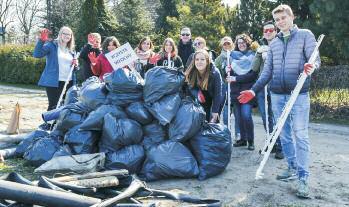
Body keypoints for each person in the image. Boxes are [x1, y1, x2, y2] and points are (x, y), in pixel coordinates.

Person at [238, 4, 320, 198]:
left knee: (300, 134)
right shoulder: (273, 43)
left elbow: (315, 59)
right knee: (284, 135)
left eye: (283, 18)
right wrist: (253, 90)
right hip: (277, 95)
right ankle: (291, 167)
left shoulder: (305, 35)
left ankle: (303, 177)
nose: (280, 22)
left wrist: (312, 67)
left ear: (291, 17)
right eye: (277, 20)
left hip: (298, 94)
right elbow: (267, 72)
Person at [251, 21, 284, 159]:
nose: (268, 32)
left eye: (271, 30)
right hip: (262, 87)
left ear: (276, 31)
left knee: (277, 116)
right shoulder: (261, 47)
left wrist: (271, 54)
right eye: (266, 31)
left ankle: (281, 146)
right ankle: (271, 143)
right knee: (266, 118)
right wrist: (259, 54)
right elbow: (254, 69)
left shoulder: (282, 44)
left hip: (277, 86)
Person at [33, 26, 78, 111]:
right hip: (54, 82)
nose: (67, 36)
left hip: (69, 82)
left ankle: (61, 124)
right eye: (64, 33)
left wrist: (76, 65)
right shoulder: (51, 46)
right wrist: (41, 41)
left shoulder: (71, 50)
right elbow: (37, 54)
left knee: (66, 106)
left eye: (69, 34)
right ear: (60, 34)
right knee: (54, 105)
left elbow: (74, 69)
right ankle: (49, 124)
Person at [228, 33, 257, 150]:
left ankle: (251, 140)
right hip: (235, 91)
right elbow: (229, 76)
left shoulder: (253, 56)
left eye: (243, 42)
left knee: (246, 115)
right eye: (239, 43)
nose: (241, 45)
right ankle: (243, 140)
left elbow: (252, 75)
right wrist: (227, 71)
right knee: (239, 117)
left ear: (247, 43)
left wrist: (236, 78)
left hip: (247, 92)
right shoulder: (232, 56)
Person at [185, 49, 223, 123]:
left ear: (207, 61)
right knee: (200, 120)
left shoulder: (215, 73)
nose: (199, 62)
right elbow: (189, 86)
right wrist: (197, 94)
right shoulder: (191, 71)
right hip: (201, 95)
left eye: (202, 59)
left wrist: (215, 111)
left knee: (212, 120)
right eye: (197, 59)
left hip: (215, 95)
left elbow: (217, 94)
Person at [214, 36, 240, 136]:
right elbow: (216, 74)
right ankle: (227, 133)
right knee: (225, 113)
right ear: (222, 45)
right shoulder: (219, 59)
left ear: (232, 44)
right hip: (225, 87)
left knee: (238, 112)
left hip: (237, 87)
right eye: (224, 44)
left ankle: (238, 134)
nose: (226, 45)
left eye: (228, 43)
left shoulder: (237, 55)